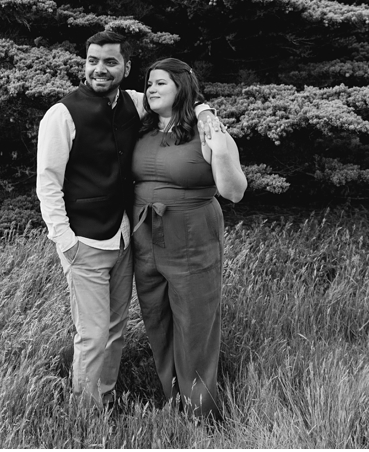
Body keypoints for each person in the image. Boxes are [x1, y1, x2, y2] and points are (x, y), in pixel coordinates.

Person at [36, 32, 214, 408]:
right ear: (85, 63)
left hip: (124, 239)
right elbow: (47, 184)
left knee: (116, 330)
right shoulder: (62, 114)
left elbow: (177, 96)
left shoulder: (135, 102)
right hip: (84, 241)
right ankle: (84, 413)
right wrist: (65, 241)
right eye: (92, 61)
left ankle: (105, 397)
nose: (100, 69)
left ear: (126, 67)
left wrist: (205, 110)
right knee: (94, 334)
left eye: (110, 62)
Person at [130, 57, 247, 420]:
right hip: (144, 235)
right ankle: (173, 399)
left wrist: (215, 131)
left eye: (161, 83)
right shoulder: (142, 123)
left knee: (194, 324)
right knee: (157, 319)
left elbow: (235, 191)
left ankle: (200, 412)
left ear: (181, 87)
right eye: (149, 82)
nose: (151, 89)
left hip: (192, 234)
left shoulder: (208, 130)